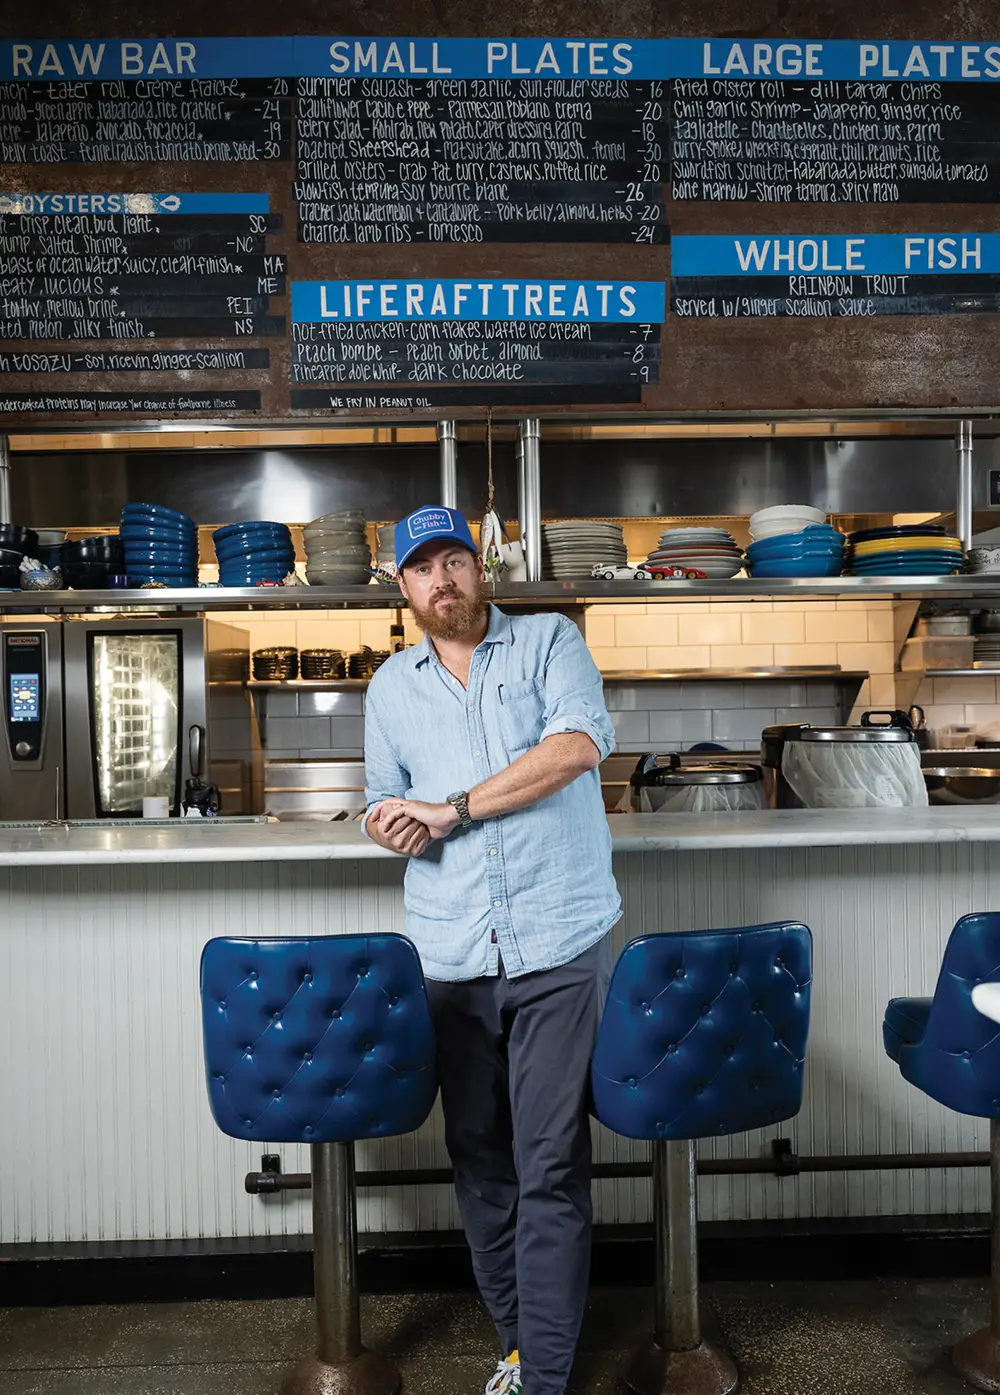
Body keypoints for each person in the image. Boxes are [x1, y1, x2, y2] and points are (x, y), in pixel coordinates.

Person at [363, 504, 621, 1395]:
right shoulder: (390, 688)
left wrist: (454, 808)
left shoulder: (550, 641)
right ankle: (520, 1339)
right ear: (403, 587)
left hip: (556, 940)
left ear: (483, 569)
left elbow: (578, 746)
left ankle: (542, 1377)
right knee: (478, 1157)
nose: (444, 580)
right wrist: (388, 821)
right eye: (424, 567)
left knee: (549, 1160)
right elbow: (380, 794)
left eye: (456, 561)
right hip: (452, 952)